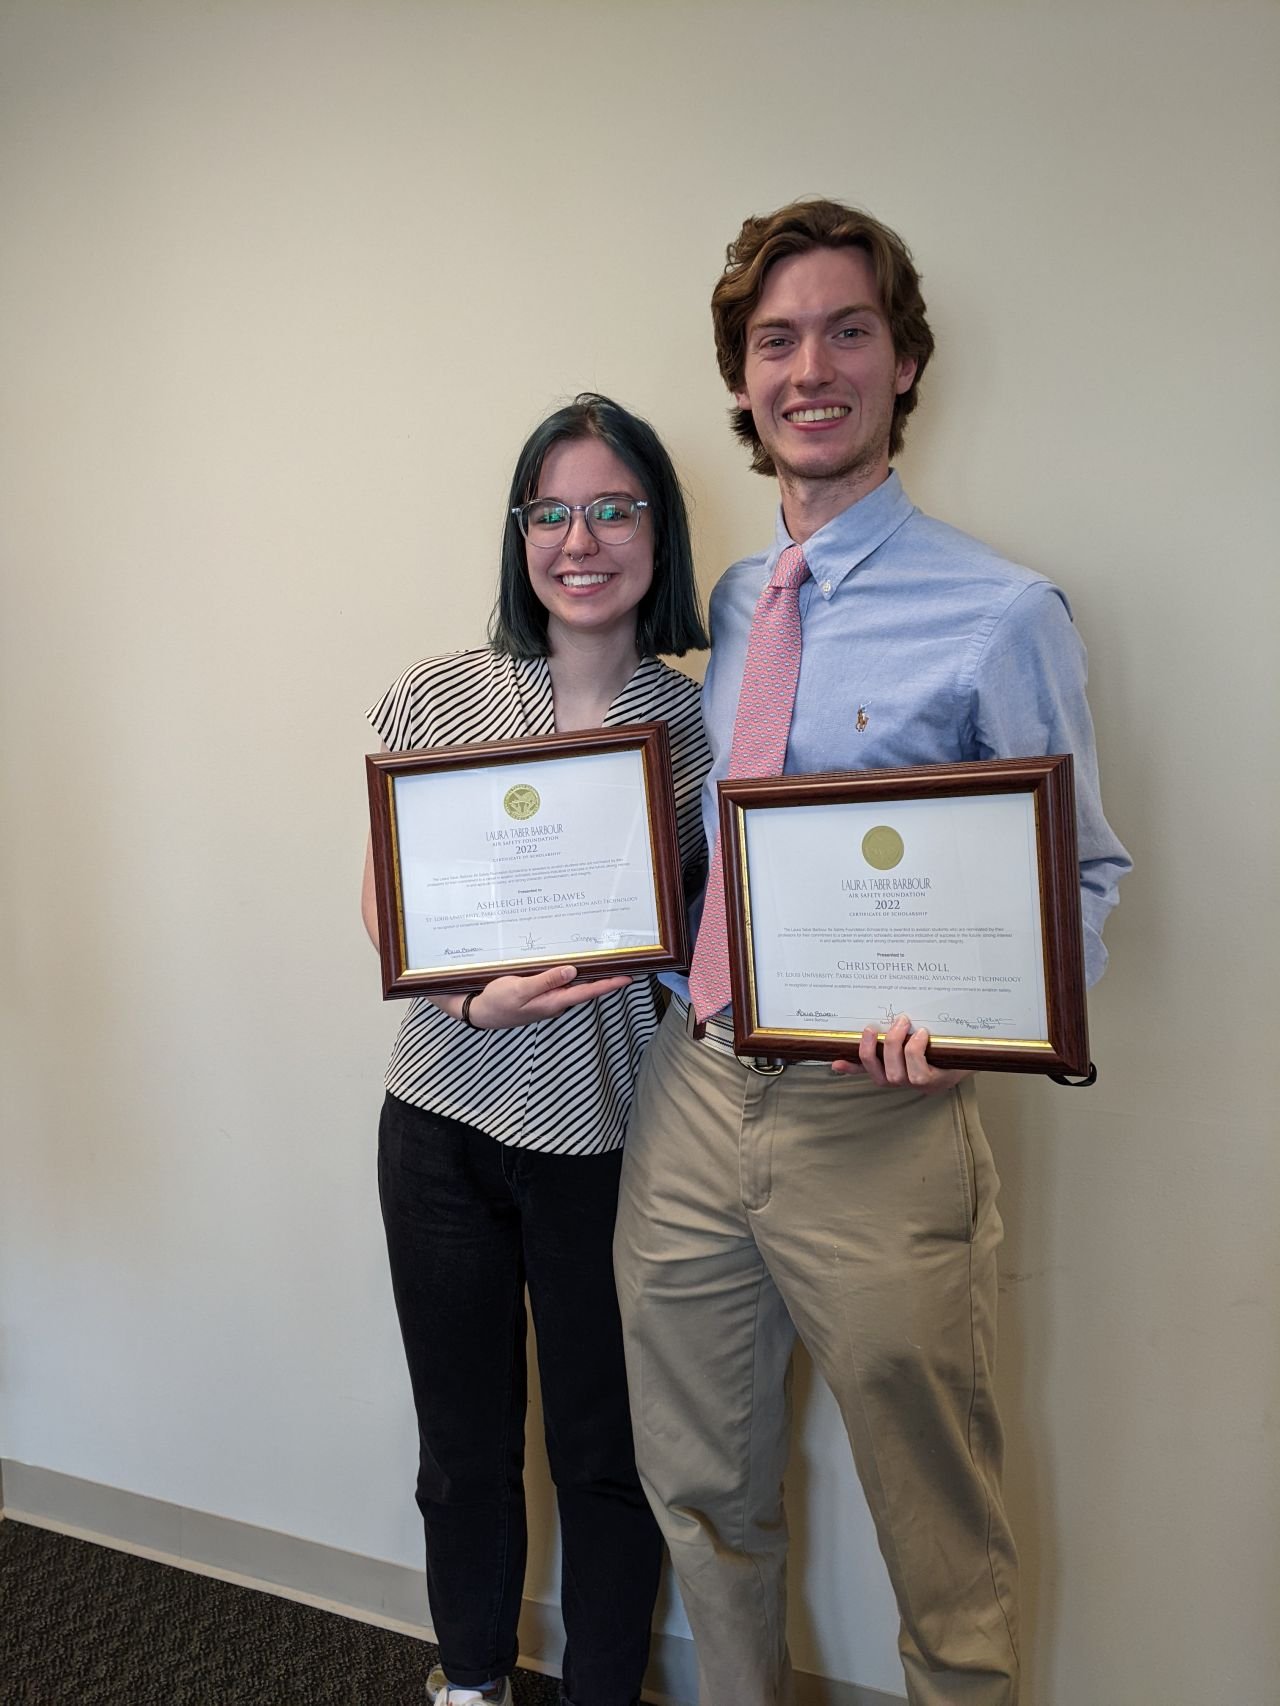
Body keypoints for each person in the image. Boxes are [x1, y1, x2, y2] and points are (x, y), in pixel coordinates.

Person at [612, 201, 1131, 1706]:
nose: (811, 367)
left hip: (883, 1121)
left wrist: (972, 1024)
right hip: (692, 1097)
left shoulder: (1000, 612)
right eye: (777, 339)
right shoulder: (727, 599)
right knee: (703, 1484)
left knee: (938, 1520)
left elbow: (1082, 872)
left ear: (903, 365)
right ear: (744, 374)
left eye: (849, 331)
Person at [363, 394, 710, 1706]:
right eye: (551, 509)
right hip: (440, 1127)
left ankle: (603, 1687)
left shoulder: (696, 721)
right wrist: (466, 1001)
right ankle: (470, 1681)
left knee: (605, 1452)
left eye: (614, 506)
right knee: (462, 1447)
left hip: (610, 1139)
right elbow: (383, 898)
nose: (581, 537)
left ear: (656, 530)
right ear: (520, 533)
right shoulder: (441, 689)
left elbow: (711, 927)